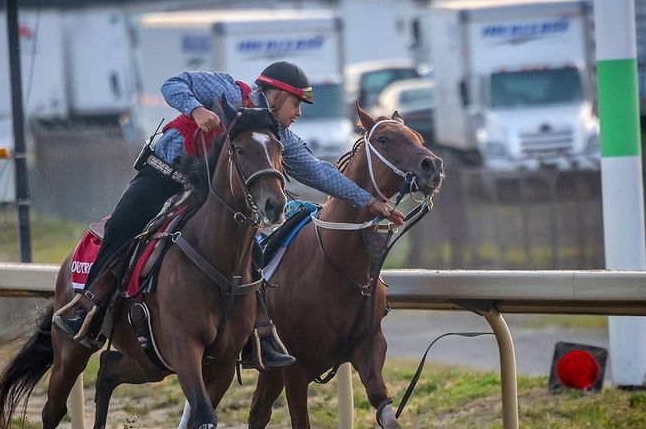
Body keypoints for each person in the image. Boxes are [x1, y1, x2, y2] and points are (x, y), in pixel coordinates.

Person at [52, 61, 404, 368]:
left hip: (206, 195)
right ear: (278, 94)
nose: (299, 112)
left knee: (252, 250)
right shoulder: (225, 89)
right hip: (161, 178)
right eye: (297, 102)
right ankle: (88, 307)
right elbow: (172, 84)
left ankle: (260, 334)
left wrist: (368, 201)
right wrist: (195, 110)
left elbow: (316, 170)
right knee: (125, 228)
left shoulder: (278, 134)